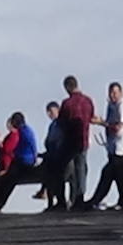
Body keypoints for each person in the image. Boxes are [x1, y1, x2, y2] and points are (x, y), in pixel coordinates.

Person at [42, 76, 94, 211]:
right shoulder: (88, 101)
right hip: (84, 139)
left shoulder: (67, 103)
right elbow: (91, 118)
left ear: (67, 88)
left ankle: (61, 201)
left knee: (60, 169)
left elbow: (61, 122)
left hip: (70, 142)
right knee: (81, 170)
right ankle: (79, 198)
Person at [86, 82, 123, 210]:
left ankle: (98, 200)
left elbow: (117, 127)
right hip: (114, 149)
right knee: (115, 175)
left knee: (110, 173)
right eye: (110, 93)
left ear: (121, 93)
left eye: (115, 92)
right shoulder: (111, 105)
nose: (112, 95)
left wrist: (102, 123)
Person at [0, 113, 39, 213]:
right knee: (5, 180)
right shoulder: (25, 131)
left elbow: (8, 149)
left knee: (8, 181)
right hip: (22, 160)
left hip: (24, 161)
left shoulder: (22, 133)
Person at [33, 101, 61, 201]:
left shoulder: (60, 124)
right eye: (48, 112)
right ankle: (45, 192)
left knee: (50, 170)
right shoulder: (52, 125)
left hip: (57, 155)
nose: (49, 114)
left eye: (51, 111)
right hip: (50, 154)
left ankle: (45, 192)